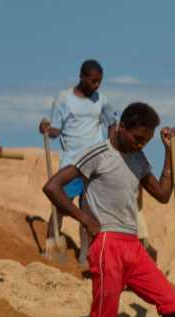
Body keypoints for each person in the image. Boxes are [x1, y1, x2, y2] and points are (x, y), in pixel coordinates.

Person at [43, 102, 175, 317]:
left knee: (172, 304)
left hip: (133, 247)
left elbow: (163, 194)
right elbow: (53, 186)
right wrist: (85, 220)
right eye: (138, 137)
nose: (141, 144)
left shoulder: (138, 159)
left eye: (147, 140)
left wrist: (169, 150)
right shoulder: (97, 154)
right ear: (121, 127)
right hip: (106, 245)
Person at [39, 60, 116, 268]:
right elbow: (55, 130)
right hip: (71, 164)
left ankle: (85, 257)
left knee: (88, 212)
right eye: (93, 81)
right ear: (81, 77)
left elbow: (112, 122)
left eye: (99, 81)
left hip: (94, 165)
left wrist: (109, 147)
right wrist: (46, 129)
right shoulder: (63, 99)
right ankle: (49, 252)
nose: (97, 85)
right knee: (59, 207)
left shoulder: (101, 100)